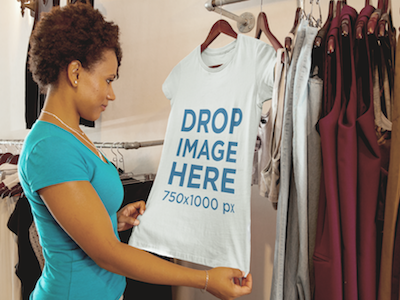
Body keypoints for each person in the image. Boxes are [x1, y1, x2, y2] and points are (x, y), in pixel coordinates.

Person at [18, 2, 252, 300]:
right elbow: (108, 254)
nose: (111, 94)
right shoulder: (49, 148)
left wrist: (113, 220)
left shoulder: (72, 135)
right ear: (75, 72)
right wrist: (205, 279)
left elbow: (77, 228)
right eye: (108, 80)